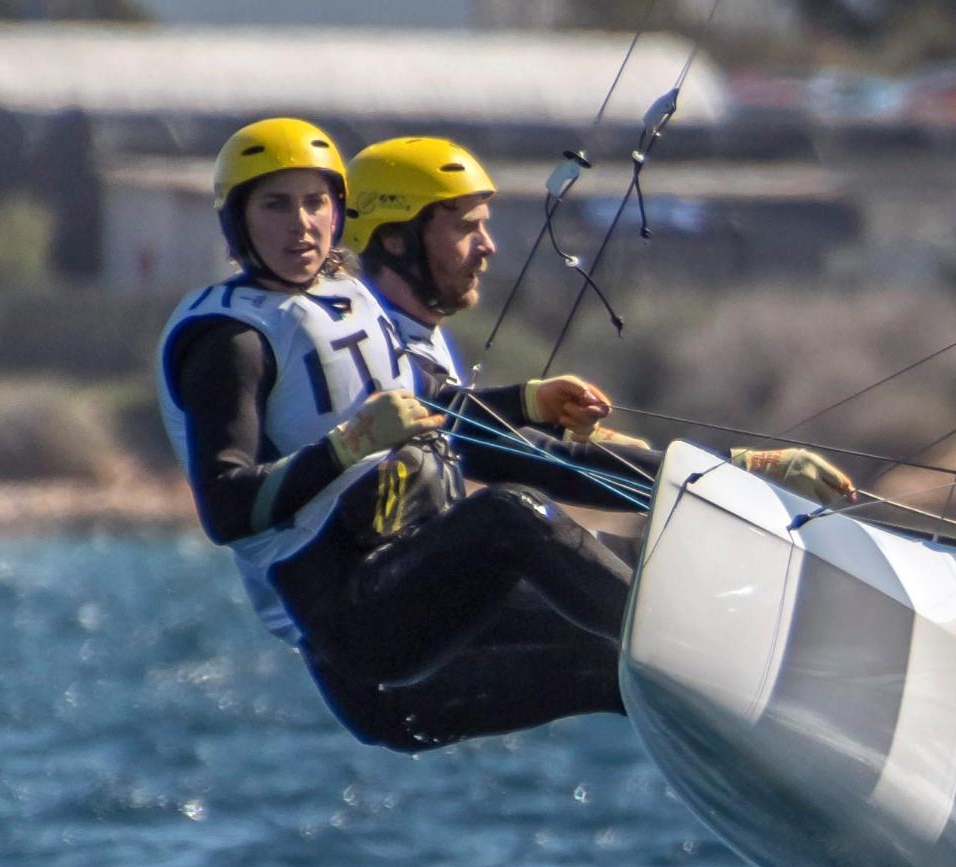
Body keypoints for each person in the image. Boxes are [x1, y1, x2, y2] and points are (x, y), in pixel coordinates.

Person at [158, 119, 850, 752]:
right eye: (274, 204)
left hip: (426, 592)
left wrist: (527, 401)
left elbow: (481, 436)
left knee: (628, 640)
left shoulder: (344, 304)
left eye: (314, 203)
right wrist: (348, 445)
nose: (300, 224)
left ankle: (803, 725)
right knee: (510, 515)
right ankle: (720, 659)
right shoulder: (231, 339)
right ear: (237, 219)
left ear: (338, 211)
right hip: (363, 638)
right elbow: (225, 508)